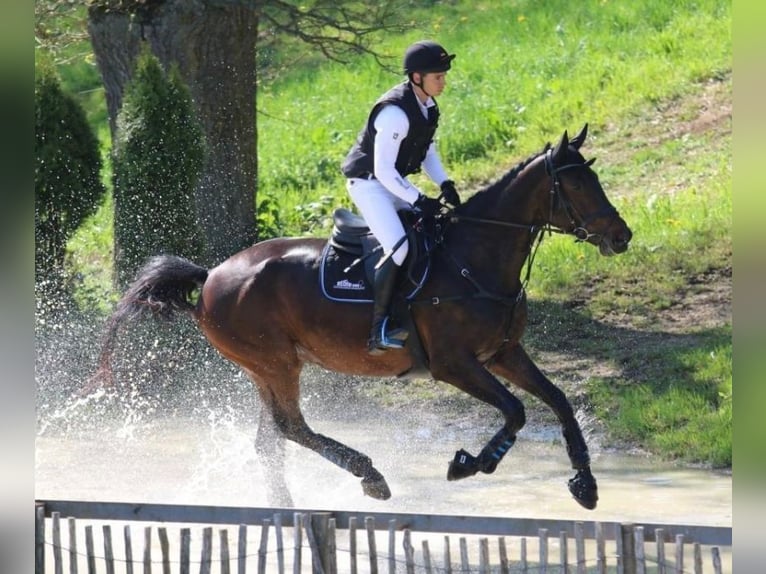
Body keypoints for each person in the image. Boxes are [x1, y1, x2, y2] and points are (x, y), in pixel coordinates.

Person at [341, 40, 462, 355]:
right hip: (369, 185)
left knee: (433, 230)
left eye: (444, 75)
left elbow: (428, 152)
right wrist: (419, 199)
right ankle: (378, 328)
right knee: (400, 246)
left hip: (391, 184)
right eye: (438, 76)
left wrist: (445, 183)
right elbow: (382, 170)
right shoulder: (395, 113)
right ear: (417, 77)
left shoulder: (427, 105)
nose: (443, 81)